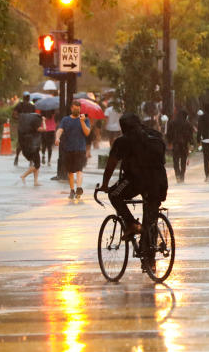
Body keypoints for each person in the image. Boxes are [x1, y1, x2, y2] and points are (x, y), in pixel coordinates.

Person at [101, 113, 168, 273]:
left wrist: (104, 185)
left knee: (114, 194)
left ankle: (131, 224)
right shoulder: (155, 136)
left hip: (137, 180)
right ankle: (149, 261)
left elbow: (111, 165)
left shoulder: (123, 141)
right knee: (150, 217)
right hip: (159, 181)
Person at [55, 100, 91, 199]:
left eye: (78, 109)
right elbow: (60, 130)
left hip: (80, 148)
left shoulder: (85, 119)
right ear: (71, 108)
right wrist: (57, 137)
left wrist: (82, 122)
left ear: (80, 109)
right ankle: (72, 190)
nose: (76, 110)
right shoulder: (65, 119)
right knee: (70, 172)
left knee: (79, 170)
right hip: (68, 148)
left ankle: (79, 188)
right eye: (75, 109)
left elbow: (87, 133)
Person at [17, 109, 45, 187]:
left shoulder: (28, 125)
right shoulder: (36, 123)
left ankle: (35, 181)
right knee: (37, 165)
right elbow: (44, 129)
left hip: (29, 144)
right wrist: (44, 121)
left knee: (36, 163)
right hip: (34, 146)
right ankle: (23, 176)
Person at [166, 109, 194, 184]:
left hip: (176, 144)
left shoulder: (172, 123)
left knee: (175, 161)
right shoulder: (188, 124)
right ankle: (182, 177)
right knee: (183, 161)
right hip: (184, 145)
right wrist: (191, 143)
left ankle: (177, 175)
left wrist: (169, 142)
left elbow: (169, 134)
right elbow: (190, 135)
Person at [12, 92, 35, 166]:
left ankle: (17, 157)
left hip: (22, 127)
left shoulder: (19, 105)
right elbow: (34, 116)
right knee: (30, 143)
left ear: (23, 97)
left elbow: (14, 115)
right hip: (30, 127)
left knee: (20, 143)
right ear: (28, 98)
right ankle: (31, 160)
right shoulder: (32, 106)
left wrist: (20, 118)